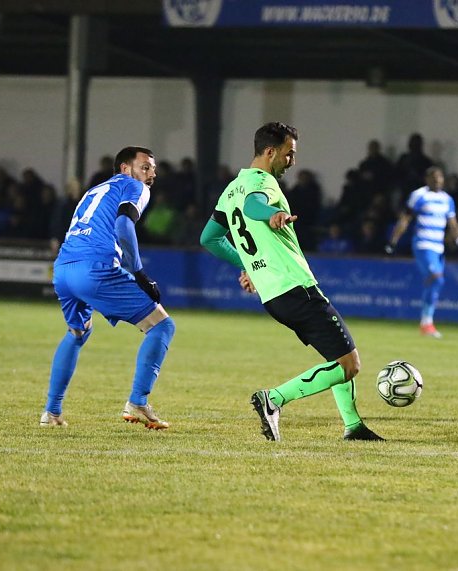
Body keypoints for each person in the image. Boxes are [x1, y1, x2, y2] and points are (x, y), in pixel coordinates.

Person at [199, 121, 383, 442]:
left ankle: (353, 426)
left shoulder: (231, 190)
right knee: (350, 364)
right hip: (295, 286)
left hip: (273, 295)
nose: (292, 161)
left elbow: (210, 238)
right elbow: (256, 204)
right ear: (270, 152)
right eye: (288, 154)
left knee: (335, 356)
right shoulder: (263, 184)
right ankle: (275, 399)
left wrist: (248, 266)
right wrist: (270, 214)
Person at [41, 147, 175, 429]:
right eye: (145, 167)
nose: (151, 174)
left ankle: (51, 413)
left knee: (77, 333)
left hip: (64, 269)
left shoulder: (94, 191)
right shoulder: (134, 186)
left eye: (154, 169)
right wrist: (139, 273)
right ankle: (138, 401)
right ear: (126, 169)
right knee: (162, 326)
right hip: (94, 268)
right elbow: (124, 226)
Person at [385, 166, 458, 338]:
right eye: (433, 178)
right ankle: (426, 323)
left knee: (435, 282)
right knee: (436, 278)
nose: (437, 181)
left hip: (438, 247)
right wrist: (393, 241)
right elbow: (405, 219)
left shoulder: (447, 199)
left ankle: (427, 323)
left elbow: (452, 222)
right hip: (423, 244)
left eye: (439, 178)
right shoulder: (419, 195)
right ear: (426, 179)